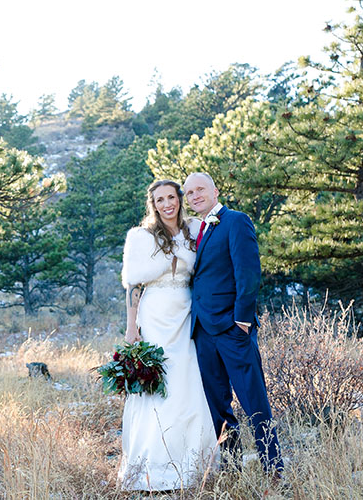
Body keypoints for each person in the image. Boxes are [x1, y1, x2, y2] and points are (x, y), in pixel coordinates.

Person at [119, 179, 217, 492]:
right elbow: (134, 284)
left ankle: (191, 468)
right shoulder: (141, 236)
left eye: (171, 197)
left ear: (180, 199)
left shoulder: (193, 230)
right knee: (157, 387)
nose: (166, 204)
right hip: (155, 316)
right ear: (154, 204)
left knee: (187, 383)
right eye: (159, 199)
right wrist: (131, 326)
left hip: (187, 316)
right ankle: (151, 469)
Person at [183, 172, 283, 475]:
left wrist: (242, 319)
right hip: (202, 331)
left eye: (200, 189)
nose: (195, 196)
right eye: (189, 193)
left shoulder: (235, 220)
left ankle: (273, 467)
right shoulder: (195, 230)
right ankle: (231, 466)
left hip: (232, 328)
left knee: (254, 399)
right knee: (218, 404)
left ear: (215, 191)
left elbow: (249, 272)